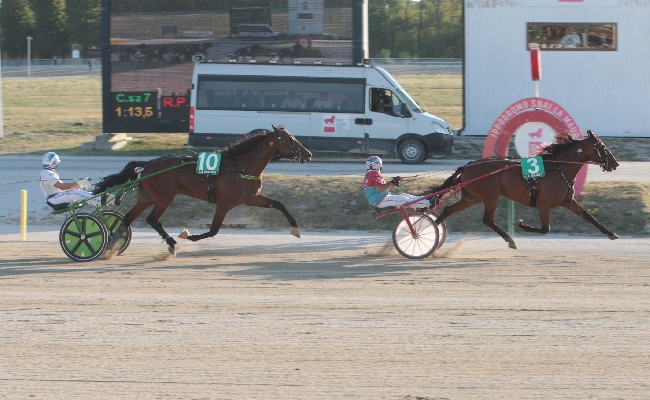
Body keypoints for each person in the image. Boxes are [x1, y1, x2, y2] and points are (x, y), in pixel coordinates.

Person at [363, 156, 430, 209]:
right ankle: (428, 202)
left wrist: (393, 183)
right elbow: (379, 189)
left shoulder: (368, 175)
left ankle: (425, 199)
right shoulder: (375, 174)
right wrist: (391, 182)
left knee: (405, 196)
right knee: (404, 199)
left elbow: (380, 189)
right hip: (379, 201)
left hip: (378, 200)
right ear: (378, 166)